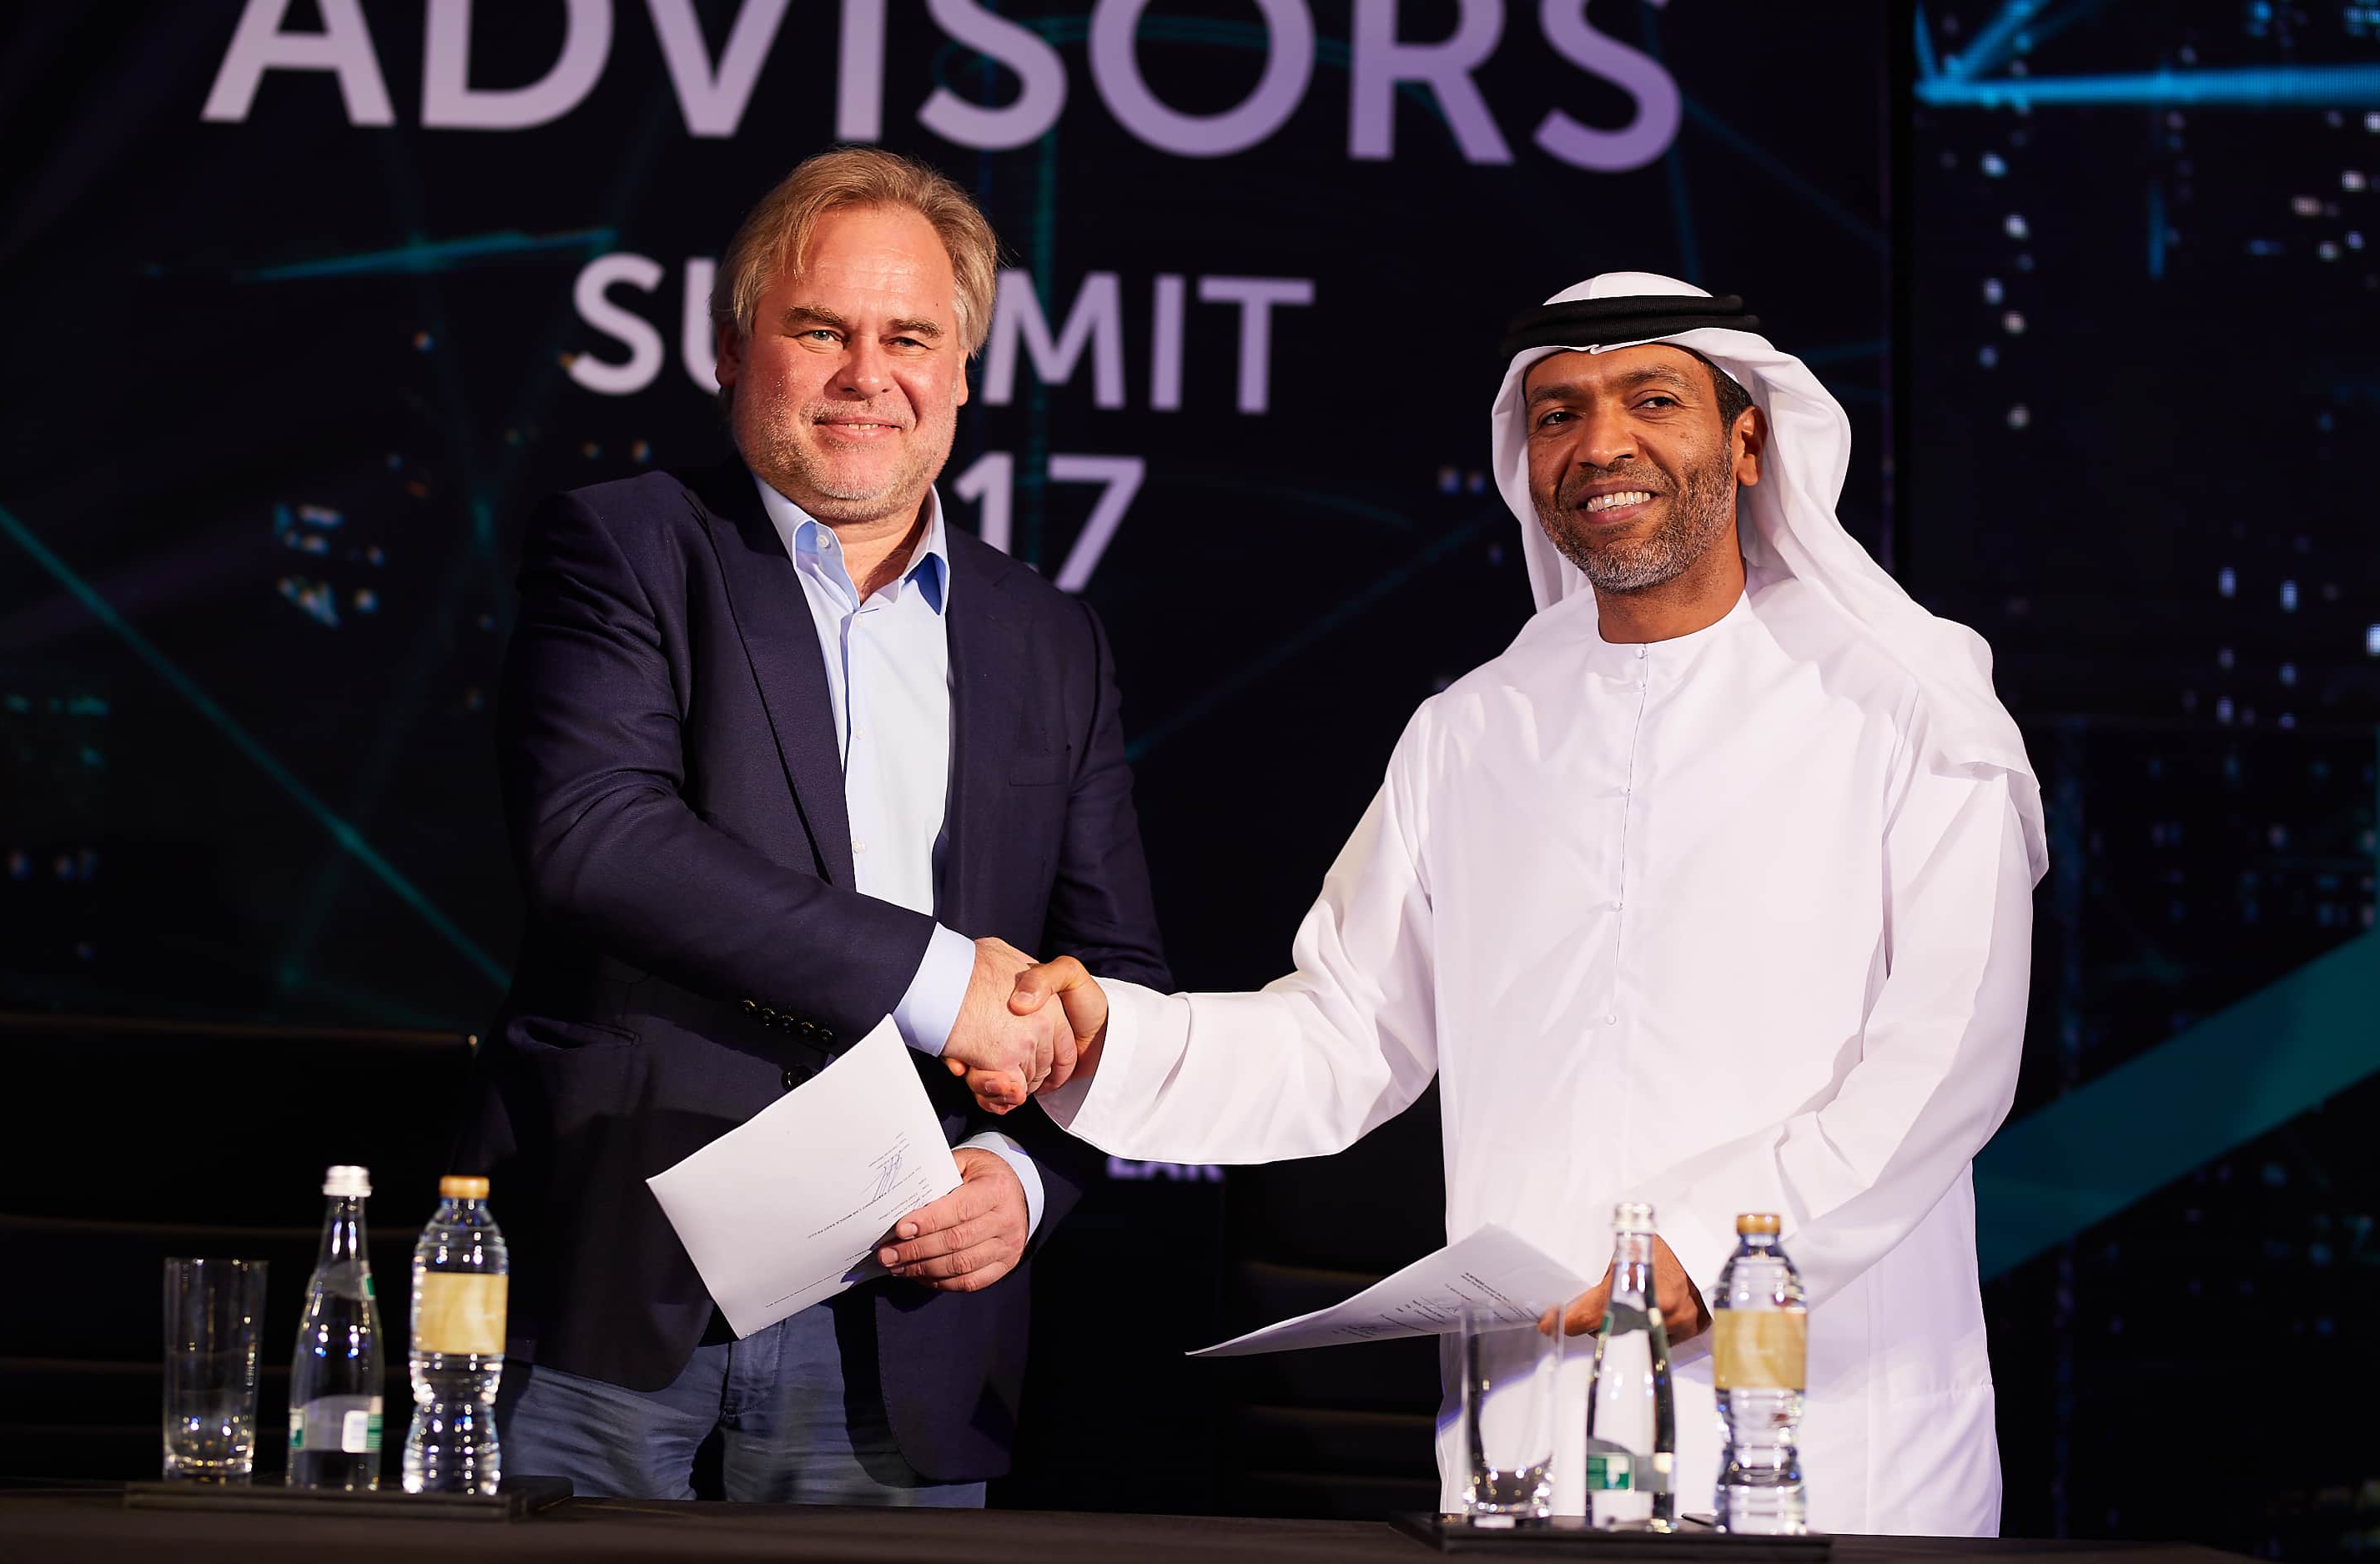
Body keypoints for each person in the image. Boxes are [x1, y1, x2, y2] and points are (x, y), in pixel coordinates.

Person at [994, 274, 2043, 1535]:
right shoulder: (1472, 732)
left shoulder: (1909, 708)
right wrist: (1110, 1035)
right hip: (1541, 1432)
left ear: (1749, 439)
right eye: (1559, 415)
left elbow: (1948, 1059)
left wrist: (1713, 1245)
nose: (1602, 445)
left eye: (1653, 400)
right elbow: (1344, 1034)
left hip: (1831, 1429)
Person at [460, 146, 1170, 1506]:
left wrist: (1022, 1178)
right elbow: (597, 839)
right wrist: (946, 984)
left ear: (963, 370)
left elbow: (1114, 976)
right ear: (733, 351)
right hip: (623, 1291)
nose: (866, 374)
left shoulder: (1049, 636)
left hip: (906, 1317)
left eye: (910, 337)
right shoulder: (625, 546)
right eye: (820, 330)